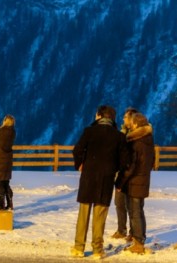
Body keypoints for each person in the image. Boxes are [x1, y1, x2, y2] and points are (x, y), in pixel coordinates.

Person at [71, 105, 128, 259]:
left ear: (99, 116)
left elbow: (77, 150)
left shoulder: (89, 131)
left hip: (88, 176)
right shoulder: (119, 136)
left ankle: (78, 247)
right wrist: (114, 171)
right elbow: (124, 162)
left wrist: (80, 164)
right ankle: (97, 249)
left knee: (83, 213)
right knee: (100, 215)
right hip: (106, 178)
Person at [115, 112, 154, 255]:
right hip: (142, 180)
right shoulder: (148, 140)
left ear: (136, 124)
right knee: (138, 211)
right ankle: (139, 238)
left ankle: (138, 243)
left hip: (134, 182)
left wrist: (120, 181)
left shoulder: (136, 142)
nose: (129, 123)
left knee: (135, 212)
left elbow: (130, 166)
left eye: (131, 121)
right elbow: (150, 162)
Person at [112, 107, 139, 240]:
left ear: (132, 118)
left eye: (125, 117)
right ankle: (121, 229)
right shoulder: (122, 133)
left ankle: (133, 232)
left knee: (132, 206)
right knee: (119, 203)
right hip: (120, 173)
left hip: (132, 175)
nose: (123, 119)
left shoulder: (138, 134)